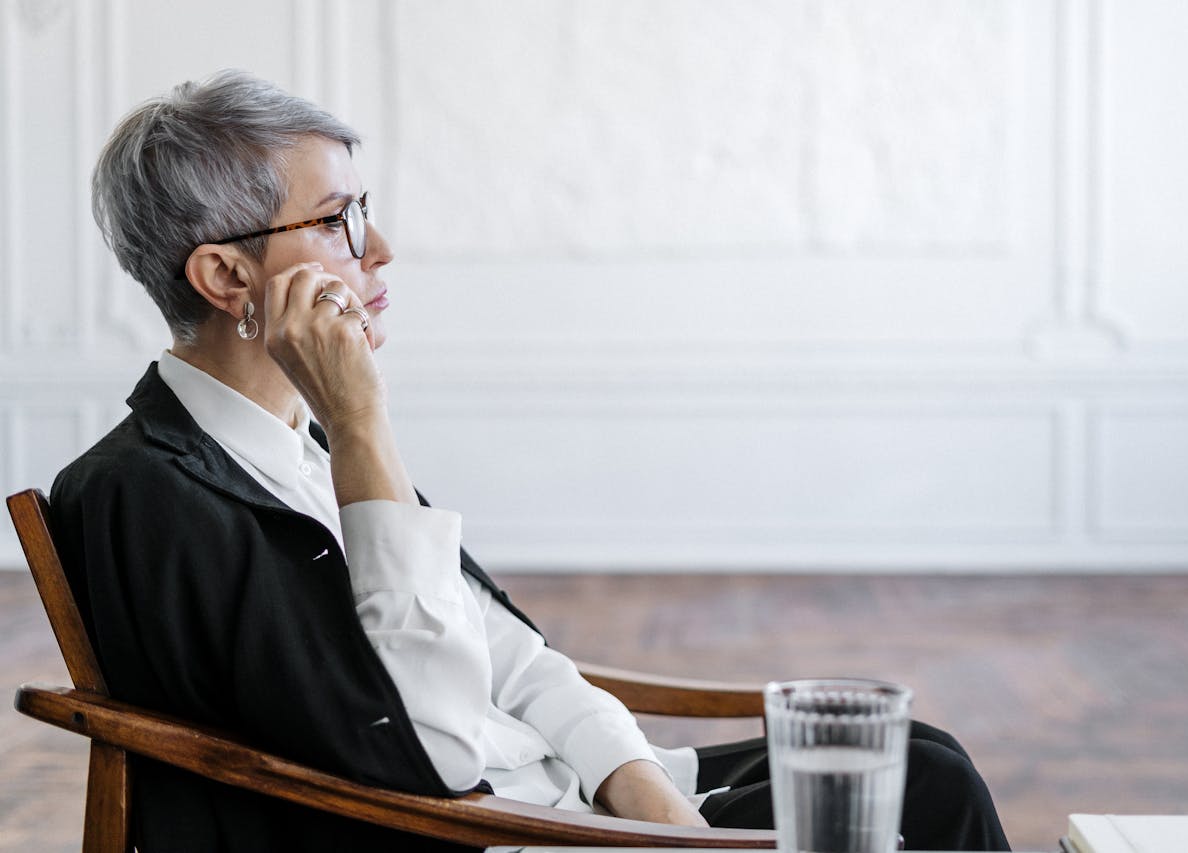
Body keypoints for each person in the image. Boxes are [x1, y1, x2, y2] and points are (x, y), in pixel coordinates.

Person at [51, 70, 1011, 852]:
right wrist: (362, 421)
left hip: (576, 802)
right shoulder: (150, 493)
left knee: (918, 765)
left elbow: (510, 656)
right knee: (914, 797)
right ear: (226, 277)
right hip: (492, 828)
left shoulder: (296, 446)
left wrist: (647, 797)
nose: (379, 250)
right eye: (339, 218)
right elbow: (422, 755)